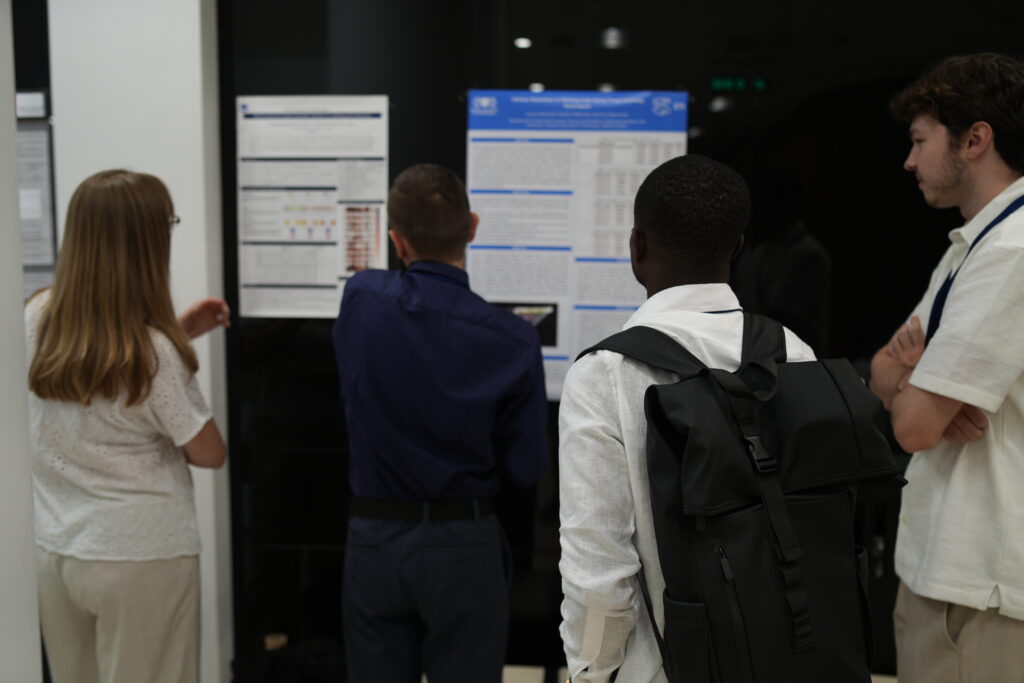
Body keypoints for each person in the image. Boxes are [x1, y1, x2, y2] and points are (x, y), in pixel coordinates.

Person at [558, 154, 815, 681]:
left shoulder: (606, 373)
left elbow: (598, 571)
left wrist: (593, 673)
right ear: (738, 247)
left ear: (637, 247)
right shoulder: (793, 353)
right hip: (787, 655)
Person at [332, 163, 547, 683]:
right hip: (463, 541)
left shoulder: (362, 298)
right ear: (472, 227)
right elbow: (526, 467)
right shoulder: (513, 339)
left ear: (396, 241)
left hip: (375, 538)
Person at [25, 169, 229, 683]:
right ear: (148, 242)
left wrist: (178, 331)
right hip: (142, 555)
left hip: (58, 550)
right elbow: (210, 452)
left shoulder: (37, 314)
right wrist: (176, 344)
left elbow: (94, 376)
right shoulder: (155, 353)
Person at [868, 53, 1024, 682]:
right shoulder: (976, 241)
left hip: (980, 583)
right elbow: (883, 366)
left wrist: (918, 392)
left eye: (919, 140)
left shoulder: (1011, 249)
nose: (909, 161)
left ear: (975, 140)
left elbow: (913, 428)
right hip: (945, 570)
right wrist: (918, 385)